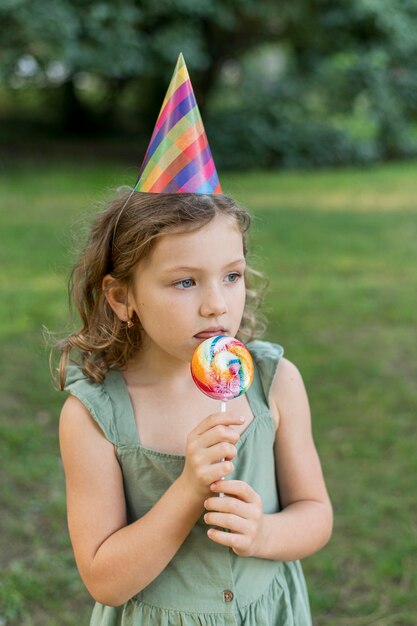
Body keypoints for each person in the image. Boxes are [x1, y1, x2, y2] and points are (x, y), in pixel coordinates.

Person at [56, 55, 333, 626]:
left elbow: (316, 515)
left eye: (231, 276)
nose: (217, 303)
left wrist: (264, 532)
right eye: (185, 282)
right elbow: (104, 578)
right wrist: (187, 489)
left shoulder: (276, 384)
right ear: (121, 297)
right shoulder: (95, 415)